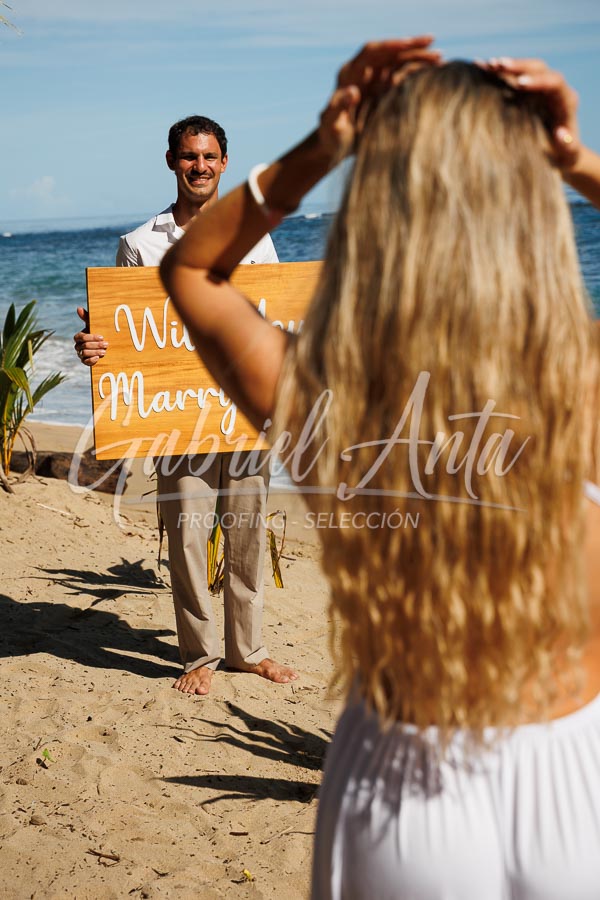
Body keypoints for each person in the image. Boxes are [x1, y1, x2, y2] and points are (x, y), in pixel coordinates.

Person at [158, 35, 600, 898]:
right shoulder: (579, 391)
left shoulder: (329, 401)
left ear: (373, 219)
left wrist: (326, 144)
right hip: (575, 779)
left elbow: (193, 269)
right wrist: (570, 157)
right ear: (531, 211)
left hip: (401, 791)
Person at [74, 115, 298, 696]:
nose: (199, 166)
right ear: (172, 161)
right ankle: (199, 655)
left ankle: (248, 651)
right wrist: (93, 346)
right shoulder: (139, 244)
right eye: (189, 156)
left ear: (224, 163)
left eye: (209, 156)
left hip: (244, 409)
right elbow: (120, 334)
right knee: (189, 537)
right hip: (177, 413)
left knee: (246, 532)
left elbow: (275, 313)